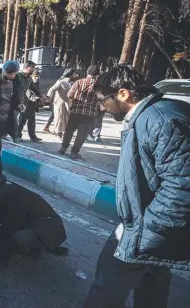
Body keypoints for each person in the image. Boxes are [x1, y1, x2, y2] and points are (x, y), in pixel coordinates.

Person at [84, 65, 190, 308]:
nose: (102, 107)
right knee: (152, 283)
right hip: (154, 226)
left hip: (148, 228)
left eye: (103, 101)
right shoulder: (150, 115)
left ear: (123, 94)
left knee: (107, 283)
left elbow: (182, 186)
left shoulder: (159, 120)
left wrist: (146, 229)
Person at [0, 174, 67, 266]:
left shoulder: (7, 196)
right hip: (41, 222)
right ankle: (36, 246)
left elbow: (13, 223)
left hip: (51, 229)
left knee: (7, 235)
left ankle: (2, 259)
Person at [57, 65, 101, 160]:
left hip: (76, 111)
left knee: (69, 130)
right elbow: (101, 99)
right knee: (82, 134)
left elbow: (70, 95)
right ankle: (74, 152)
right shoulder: (100, 86)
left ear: (87, 73)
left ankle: (63, 148)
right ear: (97, 75)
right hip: (89, 114)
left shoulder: (79, 82)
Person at [12, 61, 42, 143]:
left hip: (21, 102)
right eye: (32, 67)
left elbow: (33, 87)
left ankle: (15, 136)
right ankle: (7, 135)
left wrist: (41, 95)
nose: (33, 69)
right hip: (12, 101)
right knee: (12, 118)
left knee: (15, 119)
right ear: (26, 67)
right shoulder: (17, 76)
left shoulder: (29, 79)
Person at [46, 68, 77, 137]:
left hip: (68, 103)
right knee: (59, 117)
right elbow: (52, 89)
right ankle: (58, 132)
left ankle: (65, 131)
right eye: (74, 74)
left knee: (67, 117)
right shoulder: (61, 81)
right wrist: (48, 97)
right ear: (70, 74)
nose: (75, 75)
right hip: (60, 103)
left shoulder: (73, 83)